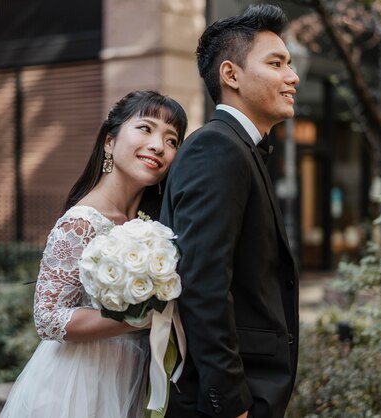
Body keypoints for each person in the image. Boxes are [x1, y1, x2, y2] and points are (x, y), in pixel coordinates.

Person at [0, 90, 187, 418]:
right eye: (145, 128)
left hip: (130, 379)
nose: (159, 145)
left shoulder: (153, 228)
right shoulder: (81, 221)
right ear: (109, 142)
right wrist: (138, 319)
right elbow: (48, 318)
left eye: (172, 140)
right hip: (77, 384)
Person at [160, 4, 300, 418]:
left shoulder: (239, 147)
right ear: (231, 74)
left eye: (290, 64)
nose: (293, 77)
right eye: (276, 63)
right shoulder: (217, 147)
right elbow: (202, 282)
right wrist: (230, 402)